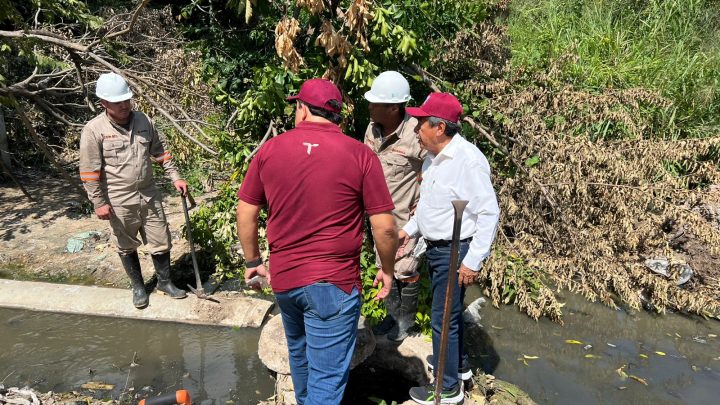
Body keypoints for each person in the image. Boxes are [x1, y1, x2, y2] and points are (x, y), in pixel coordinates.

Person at [236, 78, 398, 405]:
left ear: (303, 109)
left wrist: (254, 262)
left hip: (286, 280)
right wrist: (388, 268)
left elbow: (247, 211)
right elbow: (385, 228)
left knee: (300, 355)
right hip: (333, 285)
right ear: (336, 115)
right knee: (327, 379)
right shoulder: (360, 155)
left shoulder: (271, 149)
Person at [399, 93, 500, 405]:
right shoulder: (433, 160)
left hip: (455, 251)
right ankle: (459, 367)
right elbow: (432, 208)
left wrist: (472, 261)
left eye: (420, 123)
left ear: (439, 127)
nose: (416, 129)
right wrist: (410, 230)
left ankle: (448, 388)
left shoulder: (468, 161)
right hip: (437, 248)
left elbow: (489, 212)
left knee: (441, 317)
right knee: (449, 313)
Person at [79, 72, 188, 309]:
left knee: (161, 239)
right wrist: (98, 202)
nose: (125, 106)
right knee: (126, 244)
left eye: (127, 100)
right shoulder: (94, 130)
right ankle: (139, 287)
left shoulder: (144, 121)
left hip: (148, 193)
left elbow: (161, 153)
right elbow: (89, 172)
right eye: (118, 102)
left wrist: (176, 177)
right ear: (104, 104)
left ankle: (165, 282)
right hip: (118, 199)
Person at [363, 71, 426, 341]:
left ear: (393, 107)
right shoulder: (372, 129)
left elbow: (435, 172)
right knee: (385, 267)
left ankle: (406, 323)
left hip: (406, 219)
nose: (370, 106)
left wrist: (421, 209)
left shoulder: (416, 133)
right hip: (381, 219)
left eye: (375, 103)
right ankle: (391, 318)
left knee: (406, 271)